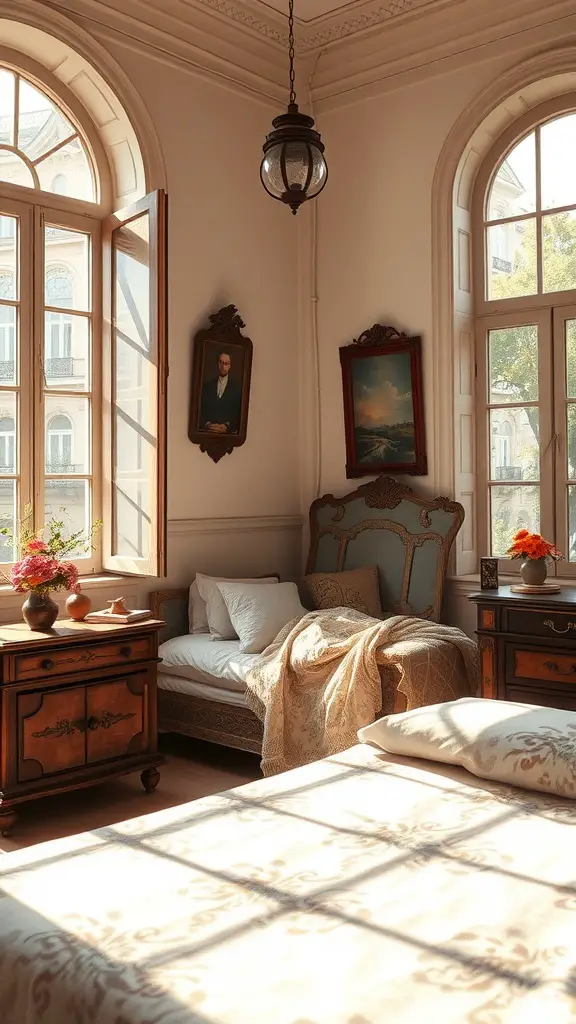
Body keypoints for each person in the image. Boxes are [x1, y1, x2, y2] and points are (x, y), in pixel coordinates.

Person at [199, 350, 242, 434]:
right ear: (217, 364)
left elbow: (238, 413)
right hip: (208, 431)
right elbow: (200, 409)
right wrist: (208, 424)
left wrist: (226, 425)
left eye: (226, 363)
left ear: (230, 366)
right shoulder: (207, 385)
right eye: (221, 362)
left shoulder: (237, 387)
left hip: (228, 433)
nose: (223, 366)